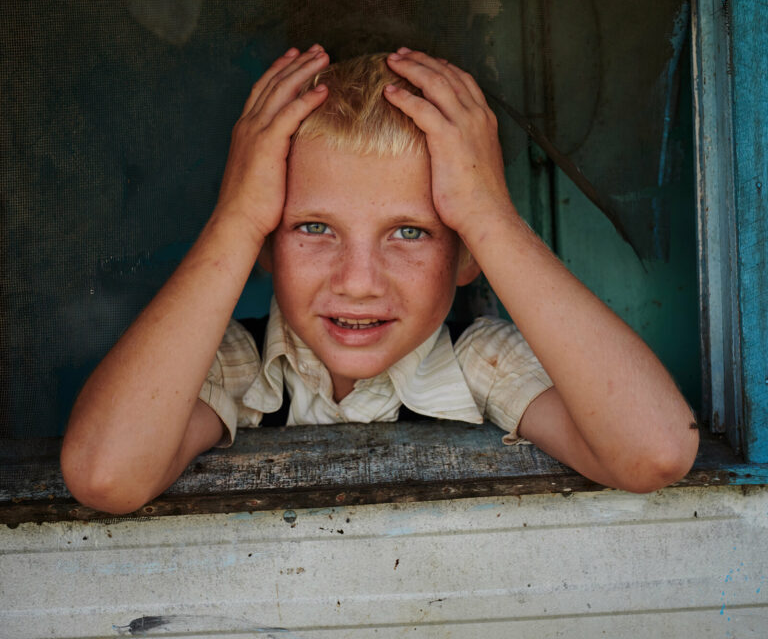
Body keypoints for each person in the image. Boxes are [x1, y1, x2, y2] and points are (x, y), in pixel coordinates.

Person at [61, 45, 699, 513]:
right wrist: (234, 220)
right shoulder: (239, 365)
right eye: (314, 228)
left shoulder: (478, 362)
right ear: (263, 246)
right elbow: (106, 474)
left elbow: (653, 452)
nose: (359, 281)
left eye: (410, 232)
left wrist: (489, 215)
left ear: (468, 253)